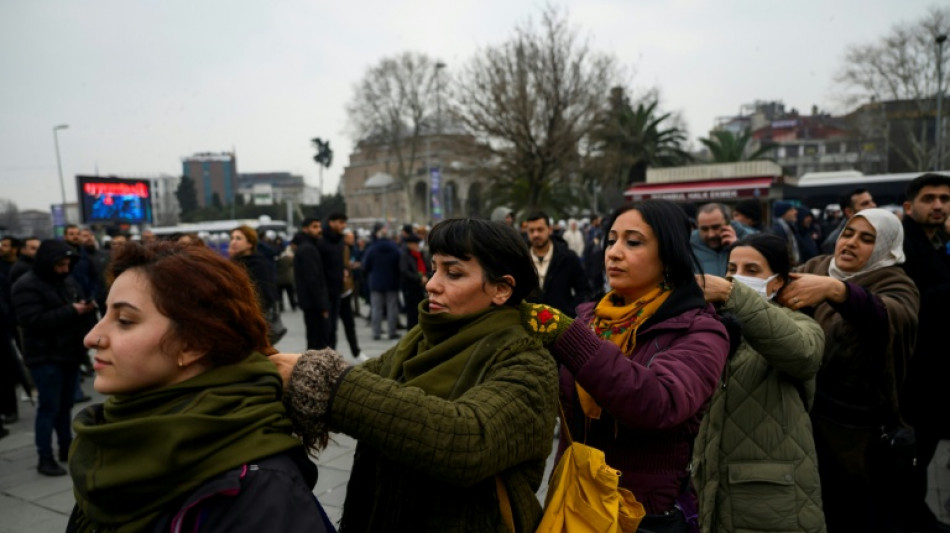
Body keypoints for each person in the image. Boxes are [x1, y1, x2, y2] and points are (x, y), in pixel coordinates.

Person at [272, 218, 558, 531]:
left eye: (453, 273)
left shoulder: (527, 361)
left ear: (501, 289)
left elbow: (468, 440)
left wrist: (331, 384)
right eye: (434, 268)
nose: (432, 283)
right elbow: (364, 382)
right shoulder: (418, 340)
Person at [65, 241, 333, 532]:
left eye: (125, 320)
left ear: (193, 344)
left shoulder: (258, 486)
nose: (92, 337)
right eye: (104, 314)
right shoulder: (112, 435)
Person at [534, 199, 731, 532]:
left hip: (641, 512)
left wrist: (571, 339)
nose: (614, 252)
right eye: (611, 240)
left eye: (633, 242)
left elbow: (659, 403)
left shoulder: (700, 329)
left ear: (669, 255)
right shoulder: (588, 317)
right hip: (575, 500)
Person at [778, 208, 918, 533]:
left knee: (853, 511)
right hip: (804, 417)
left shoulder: (894, 281)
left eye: (867, 239)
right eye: (848, 233)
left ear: (886, 247)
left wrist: (837, 291)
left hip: (856, 432)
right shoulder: (815, 267)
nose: (851, 243)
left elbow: (895, 315)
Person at [693, 233, 826, 533]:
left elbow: (803, 355)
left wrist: (731, 295)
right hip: (711, 487)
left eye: (752, 270)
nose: (737, 278)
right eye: (731, 269)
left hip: (769, 500)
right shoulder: (710, 324)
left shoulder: (801, 324)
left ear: (777, 282)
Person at [11, 240, 97, 476]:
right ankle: (44, 457)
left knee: (65, 406)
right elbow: (31, 320)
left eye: (67, 264)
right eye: (60, 264)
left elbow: (73, 301)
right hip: (44, 356)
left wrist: (83, 307)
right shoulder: (25, 285)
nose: (64, 269)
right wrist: (72, 310)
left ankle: (66, 448)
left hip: (67, 352)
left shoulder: (66, 280)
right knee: (48, 408)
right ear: (48, 263)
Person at [896, 173, 950, 533]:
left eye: (944, 199)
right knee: (913, 459)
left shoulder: (937, 243)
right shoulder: (902, 249)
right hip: (916, 376)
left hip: (936, 373)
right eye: (929, 198)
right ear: (908, 206)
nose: (938, 206)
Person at [524, 211, 591, 317]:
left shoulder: (567, 257)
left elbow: (584, 291)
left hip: (562, 326)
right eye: (531, 231)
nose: (535, 234)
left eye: (540, 230)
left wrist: (570, 312)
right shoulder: (521, 260)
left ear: (549, 230)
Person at [228, 226, 279, 335]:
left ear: (249, 244)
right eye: (232, 238)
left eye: (238, 238)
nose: (233, 242)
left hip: (251, 321)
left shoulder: (257, 264)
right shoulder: (234, 263)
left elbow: (264, 294)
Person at [293, 218, 331, 350]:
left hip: (310, 303)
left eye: (319, 226)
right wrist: (322, 306)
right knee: (317, 341)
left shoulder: (309, 247)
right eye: (314, 227)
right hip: (313, 304)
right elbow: (313, 280)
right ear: (305, 229)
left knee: (314, 340)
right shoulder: (307, 249)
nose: (319, 230)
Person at [362, 225, 401, 341]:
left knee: (376, 308)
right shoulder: (395, 248)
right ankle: (392, 332)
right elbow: (400, 264)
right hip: (392, 281)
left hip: (376, 282)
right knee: (392, 307)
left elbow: (365, 266)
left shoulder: (372, 249)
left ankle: (376, 332)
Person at [690, 203, 752, 276]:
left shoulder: (751, 240)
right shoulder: (688, 246)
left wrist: (737, 247)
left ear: (728, 223)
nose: (711, 235)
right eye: (704, 229)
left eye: (716, 227)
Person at [820, 188, 877, 254]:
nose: (873, 205)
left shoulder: (880, 228)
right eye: (865, 204)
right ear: (849, 212)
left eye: (872, 201)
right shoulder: (834, 242)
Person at [398, 232, 428, 330]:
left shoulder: (419, 254)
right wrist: (419, 278)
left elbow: (425, 267)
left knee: (419, 312)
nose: (417, 246)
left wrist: (426, 276)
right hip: (410, 288)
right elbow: (404, 271)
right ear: (410, 244)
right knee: (411, 313)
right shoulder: (405, 255)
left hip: (419, 287)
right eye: (415, 243)